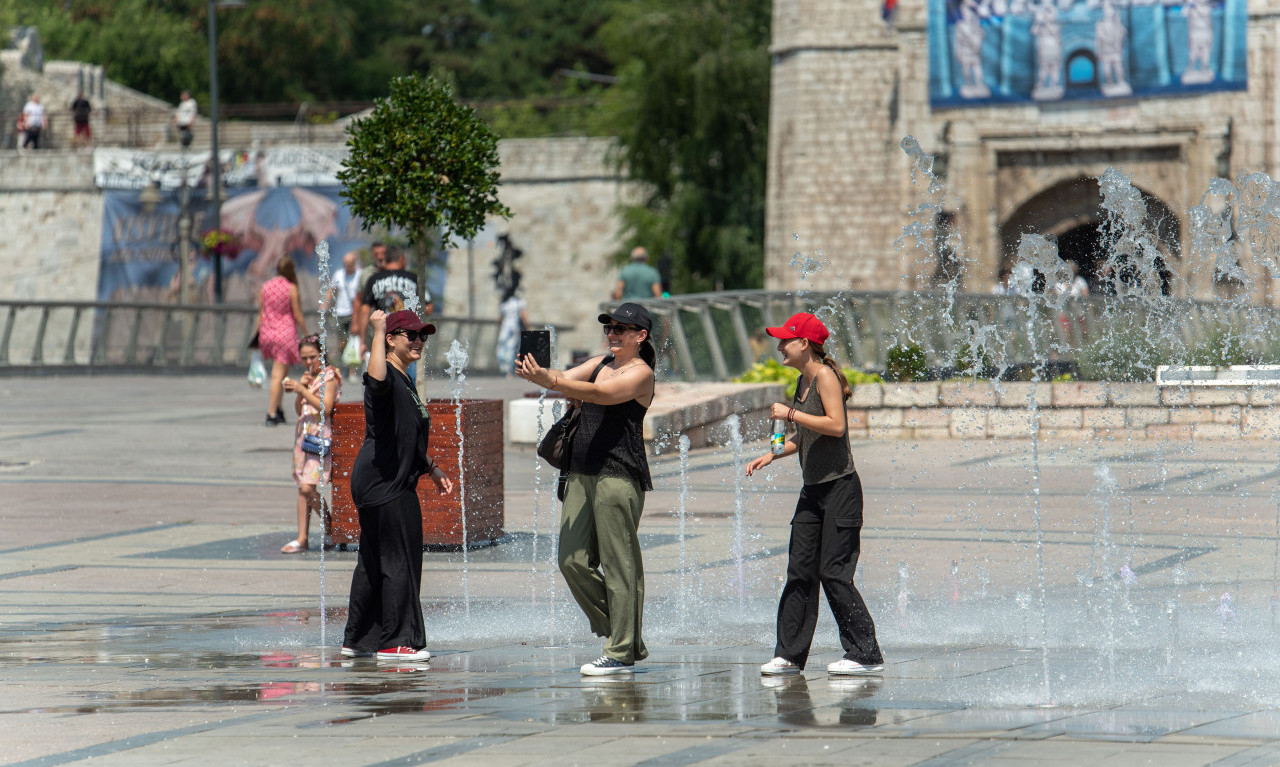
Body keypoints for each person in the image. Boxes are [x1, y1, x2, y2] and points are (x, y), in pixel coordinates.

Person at [514, 302, 657, 676]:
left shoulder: (642, 373)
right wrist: (541, 372)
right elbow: (562, 375)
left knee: (618, 564)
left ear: (640, 336)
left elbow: (600, 396)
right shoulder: (598, 364)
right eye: (609, 328)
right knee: (571, 560)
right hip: (579, 473)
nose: (612, 334)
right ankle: (626, 634)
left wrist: (554, 382)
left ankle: (622, 648)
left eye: (621, 329)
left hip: (618, 476)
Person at [746, 312, 884, 678]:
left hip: (841, 487)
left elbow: (836, 426)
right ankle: (789, 655)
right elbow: (803, 435)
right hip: (813, 491)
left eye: (785, 341)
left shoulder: (824, 376)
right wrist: (772, 454)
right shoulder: (802, 381)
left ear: (804, 344)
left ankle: (865, 653)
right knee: (800, 570)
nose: (779, 347)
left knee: (833, 572)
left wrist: (791, 413)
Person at [342, 309, 454, 662]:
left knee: (374, 560)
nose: (419, 341)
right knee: (399, 558)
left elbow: (405, 433)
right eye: (411, 335)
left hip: (379, 478)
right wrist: (376, 330)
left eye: (423, 336)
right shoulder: (387, 373)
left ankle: (358, 640)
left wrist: (431, 468)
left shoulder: (404, 379)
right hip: (385, 482)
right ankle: (395, 642)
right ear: (391, 340)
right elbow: (373, 381)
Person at [280, 336, 341, 554]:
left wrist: (303, 390)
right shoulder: (310, 377)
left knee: (308, 487)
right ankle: (302, 538)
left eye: (312, 357)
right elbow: (300, 410)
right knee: (302, 487)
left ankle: (331, 527)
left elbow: (326, 408)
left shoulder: (329, 377)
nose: (308, 362)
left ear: (321, 355)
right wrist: (301, 390)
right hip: (303, 439)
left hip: (319, 439)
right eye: (304, 358)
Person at [258, 256, 309, 426]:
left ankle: (278, 408)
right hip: (284, 334)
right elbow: (298, 314)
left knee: (282, 373)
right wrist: (308, 335)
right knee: (277, 374)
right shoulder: (291, 288)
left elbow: (261, 313)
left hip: (267, 332)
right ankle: (271, 413)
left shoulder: (265, 286)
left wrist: (257, 337)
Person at [328, 251, 363, 381]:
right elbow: (331, 290)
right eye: (345, 264)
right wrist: (325, 304)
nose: (347, 267)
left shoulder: (359, 275)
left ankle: (353, 371)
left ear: (354, 264)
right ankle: (345, 365)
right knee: (342, 343)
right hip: (341, 312)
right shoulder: (339, 274)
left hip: (355, 313)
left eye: (350, 265)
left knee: (353, 341)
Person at [495, 285, 528, 375]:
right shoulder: (519, 302)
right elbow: (523, 316)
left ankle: (504, 369)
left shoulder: (505, 303)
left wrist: (499, 327)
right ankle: (510, 370)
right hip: (514, 328)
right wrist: (527, 328)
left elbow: (501, 318)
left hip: (505, 328)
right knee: (512, 347)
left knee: (502, 347)